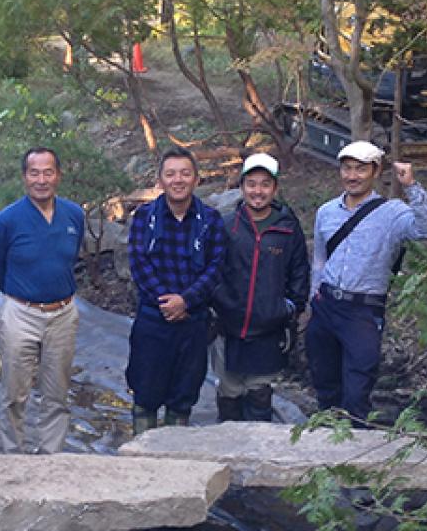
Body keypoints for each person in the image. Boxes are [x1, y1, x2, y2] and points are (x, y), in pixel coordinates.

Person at [305, 140, 427, 423]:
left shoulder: (392, 213)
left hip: (363, 311)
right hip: (326, 305)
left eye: (360, 169)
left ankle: (355, 448)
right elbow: (319, 259)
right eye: (347, 168)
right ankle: (324, 447)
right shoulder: (327, 212)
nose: (352, 176)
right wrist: (313, 298)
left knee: (357, 389)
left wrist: (411, 186)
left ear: (375, 171)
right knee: (324, 382)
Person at [0, 147, 84, 454]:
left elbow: (71, 258)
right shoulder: (7, 221)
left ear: (58, 175)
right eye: (34, 173)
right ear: (24, 177)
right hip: (21, 312)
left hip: (63, 313)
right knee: (14, 394)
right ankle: (13, 456)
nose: (41, 180)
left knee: (56, 393)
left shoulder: (74, 214)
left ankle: (50, 458)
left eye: (48, 172)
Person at [127, 148, 226, 434]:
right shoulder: (145, 217)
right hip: (152, 319)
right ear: (160, 180)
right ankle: (140, 453)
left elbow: (216, 267)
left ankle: (175, 457)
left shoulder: (210, 219)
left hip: (194, 321)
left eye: (185, 173)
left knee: (183, 395)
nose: (178, 180)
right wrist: (167, 302)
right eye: (170, 174)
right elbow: (139, 265)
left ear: (196, 179)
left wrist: (186, 300)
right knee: (145, 393)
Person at [210, 153, 310, 422]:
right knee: (229, 389)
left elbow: (299, 271)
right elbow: (212, 269)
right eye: (251, 184)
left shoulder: (288, 228)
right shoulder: (227, 225)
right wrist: (218, 302)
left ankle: (258, 449)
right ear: (242, 187)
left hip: (268, 326)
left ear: (275, 188)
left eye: (265, 184)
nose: (258, 191)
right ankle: (227, 445)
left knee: (259, 391)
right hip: (229, 325)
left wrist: (290, 306)